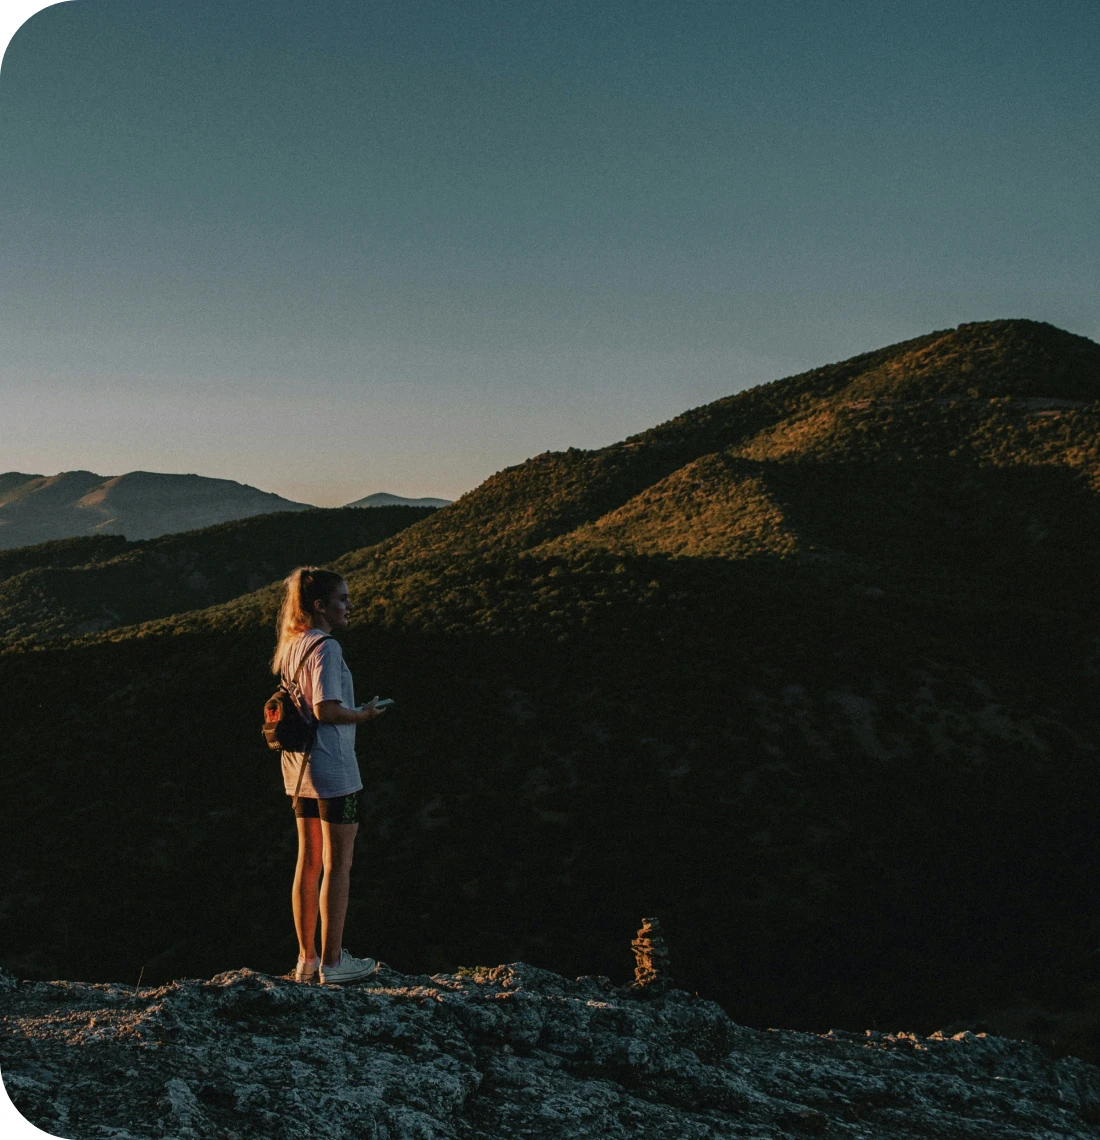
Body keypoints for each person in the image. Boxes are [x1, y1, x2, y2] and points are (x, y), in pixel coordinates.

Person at [271, 566, 386, 984]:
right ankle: (335, 963)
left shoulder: (291, 644)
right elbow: (326, 710)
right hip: (332, 768)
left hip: (298, 767)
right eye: (341, 600)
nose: (349, 606)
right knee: (339, 864)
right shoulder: (326, 648)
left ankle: (307, 960)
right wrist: (365, 714)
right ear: (320, 607)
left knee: (308, 861)